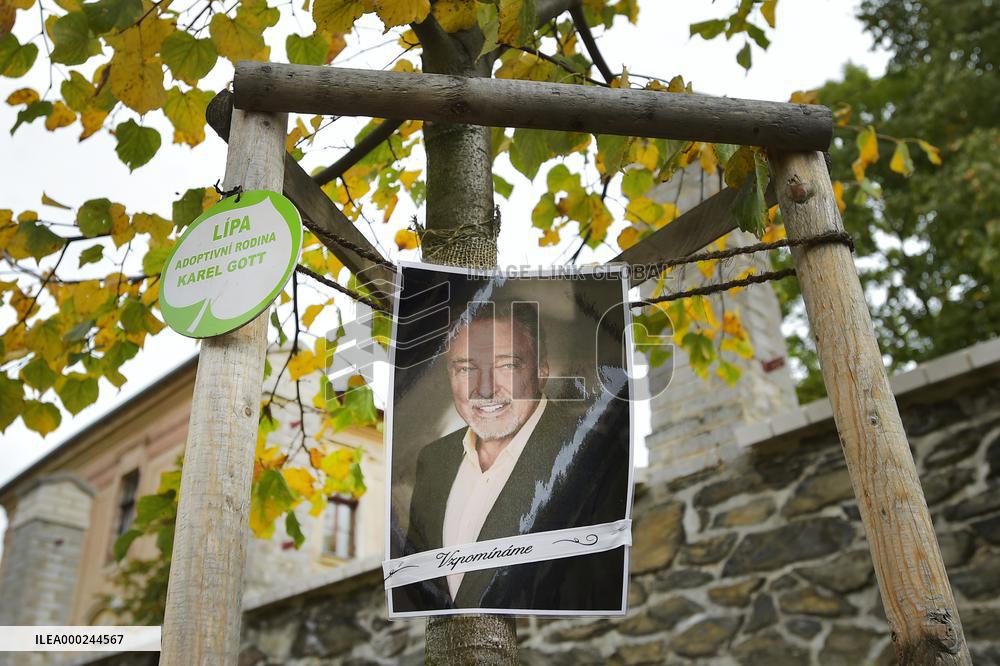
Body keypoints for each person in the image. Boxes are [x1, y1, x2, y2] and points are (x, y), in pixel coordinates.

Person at [391, 300, 629, 613]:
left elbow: (596, 592)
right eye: (465, 368)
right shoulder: (434, 459)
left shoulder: (594, 457)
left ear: (541, 370)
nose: (485, 389)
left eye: (506, 365)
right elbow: (419, 583)